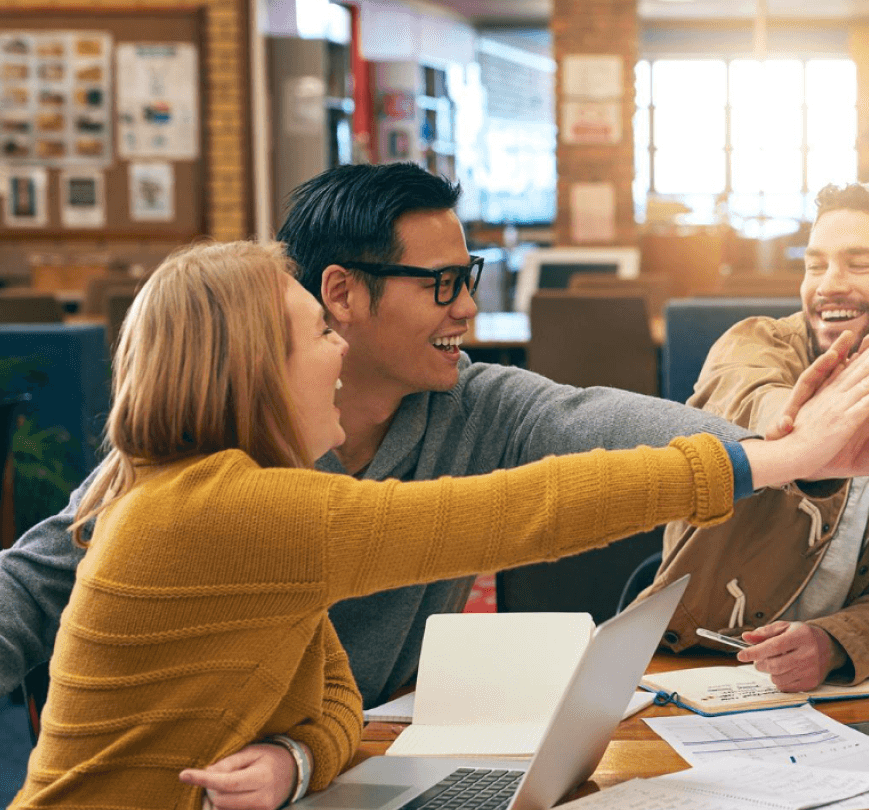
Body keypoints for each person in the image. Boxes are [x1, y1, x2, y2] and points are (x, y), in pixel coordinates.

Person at [6, 240, 869, 810]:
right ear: (256, 369)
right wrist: (770, 461)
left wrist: (287, 759)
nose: (338, 353)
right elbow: (518, 512)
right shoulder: (232, 512)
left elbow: (336, 705)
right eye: (319, 332)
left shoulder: (260, 500)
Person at [0, 162, 756, 711]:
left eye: (470, 278)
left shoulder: (469, 399)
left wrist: (769, 445)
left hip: (350, 755)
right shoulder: (214, 447)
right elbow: (32, 586)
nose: (465, 309)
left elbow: (600, 421)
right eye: (440, 284)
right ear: (342, 293)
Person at [635, 183, 869, 691]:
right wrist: (803, 428)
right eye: (815, 264)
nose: (828, 286)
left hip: (837, 686)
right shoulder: (754, 343)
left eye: (858, 265)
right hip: (691, 660)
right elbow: (746, 398)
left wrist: (836, 642)